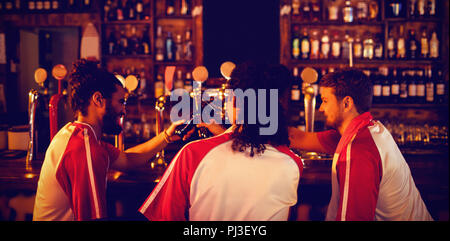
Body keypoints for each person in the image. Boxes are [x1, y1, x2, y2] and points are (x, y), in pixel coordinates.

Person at [139, 62, 303, 221]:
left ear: (236, 102)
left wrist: (220, 135)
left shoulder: (193, 154)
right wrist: (221, 132)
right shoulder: (292, 162)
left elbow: (164, 217)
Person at [33, 59, 184, 221]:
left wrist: (167, 135)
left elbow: (127, 159)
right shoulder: (84, 150)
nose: (124, 110)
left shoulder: (78, 134)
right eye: (121, 102)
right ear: (98, 100)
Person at [289, 68, 433, 221]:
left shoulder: (358, 150)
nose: (321, 108)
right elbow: (299, 138)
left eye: (325, 101)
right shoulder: (367, 130)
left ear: (347, 103)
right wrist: (264, 127)